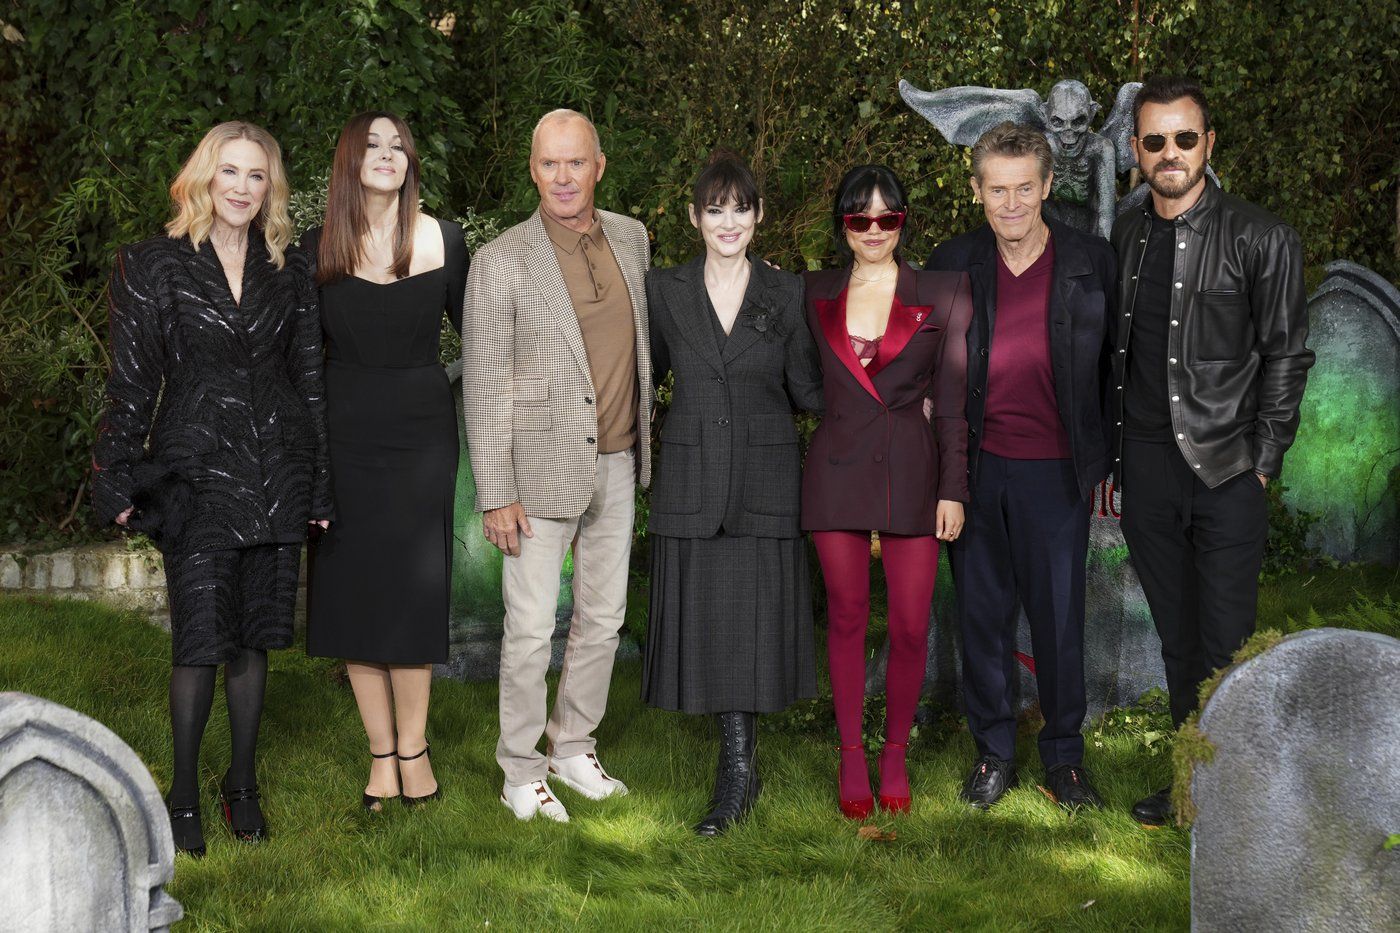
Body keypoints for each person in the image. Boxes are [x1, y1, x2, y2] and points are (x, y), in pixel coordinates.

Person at [91, 121, 332, 856]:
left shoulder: (287, 268)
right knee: (200, 640)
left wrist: (319, 482)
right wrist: (115, 474)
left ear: (271, 189)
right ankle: (185, 792)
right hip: (193, 473)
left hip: (275, 470)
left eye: (256, 176)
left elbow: (310, 379)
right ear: (203, 177)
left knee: (255, 635)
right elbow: (130, 382)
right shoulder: (154, 265)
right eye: (229, 171)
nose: (241, 187)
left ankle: (243, 784)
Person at [1110, 77, 1313, 826]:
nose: (1171, 153)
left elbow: (1287, 356)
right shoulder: (1127, 236)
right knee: (1177, 640)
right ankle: (1192, 785)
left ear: (1209, 144)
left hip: (1228, 470)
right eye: (1155, 140)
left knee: (1229, 643)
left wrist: (1264, 460)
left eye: (1184, 138)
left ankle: (1243, 796)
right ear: (1136, 150)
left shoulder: (1263, 237)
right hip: (1149, 473)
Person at [462, 109, 652, 823]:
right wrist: (496, 492)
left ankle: (573, 745)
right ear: (532, 169)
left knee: (603, 617)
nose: (563, 177)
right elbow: (483, 383)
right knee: (533, 626)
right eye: (549, 164)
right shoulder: (503, 260)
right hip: (538, 468)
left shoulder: (631, 238)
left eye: (576, 163)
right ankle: (519, 769)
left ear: (599, 165)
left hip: (619, 459)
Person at [926, 122, 1117, 812]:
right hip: (978, 469)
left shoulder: (1090, 261)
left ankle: (1064, 758)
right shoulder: (954, 261)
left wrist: (1109, 458)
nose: (1010, 203)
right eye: (996, 189)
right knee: (981, 616)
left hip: (1057, 471)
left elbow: (1115, 364)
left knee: (1059, 618)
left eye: (1023, 189)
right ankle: (994, 751)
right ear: (977, 190)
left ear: (1046, 187)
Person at [643, 150, 824, 835]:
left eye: (740, 208)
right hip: (693, 479)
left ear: (758, 216)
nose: (728, 221)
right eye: (714, 208)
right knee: (712, 624)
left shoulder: (788, 294)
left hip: (764, 479)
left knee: (750, 626)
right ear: (694, 217)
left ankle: (738, 771)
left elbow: (809, 389)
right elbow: (639, 377)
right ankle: (734, 765)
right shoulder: (664, 290)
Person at [300, 112, 466, 811]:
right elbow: (303, 363)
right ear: (348, 160)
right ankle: (380, 755)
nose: (388, 153)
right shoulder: (316, 247)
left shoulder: (447, 241)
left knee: (411, 590)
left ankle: (416, 748)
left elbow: (484, 345)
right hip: (343, 436)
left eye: (399, 143)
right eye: (373, 144)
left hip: (423, 435)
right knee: (354, 595)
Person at [802, 165, 973, 818]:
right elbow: (801, 382)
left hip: (915, 475)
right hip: (836, 473)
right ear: (843, 223)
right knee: (845, 616)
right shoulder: (811, 293)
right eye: (859, 218)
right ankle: (852, 754)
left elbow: (954, 403)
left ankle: (893, 752)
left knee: (908, 624)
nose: (874, 230)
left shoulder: (945, 292)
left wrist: (952, 489)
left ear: (903, 220)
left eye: (887, 217)